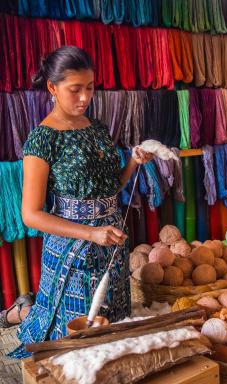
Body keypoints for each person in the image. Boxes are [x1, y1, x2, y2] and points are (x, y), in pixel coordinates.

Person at [0, 46, 153, 358]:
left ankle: (28, 307)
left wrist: (133, 163)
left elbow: (111, 188)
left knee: (114, 326)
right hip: (73, 251)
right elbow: (30, 215)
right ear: (53, 88)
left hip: (112, 245)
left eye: (90, 87)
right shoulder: (42, 139)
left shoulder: (96, 127)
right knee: (72, 334)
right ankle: (20, 312)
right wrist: (90, 233)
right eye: (75, 90)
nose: (85, 97)